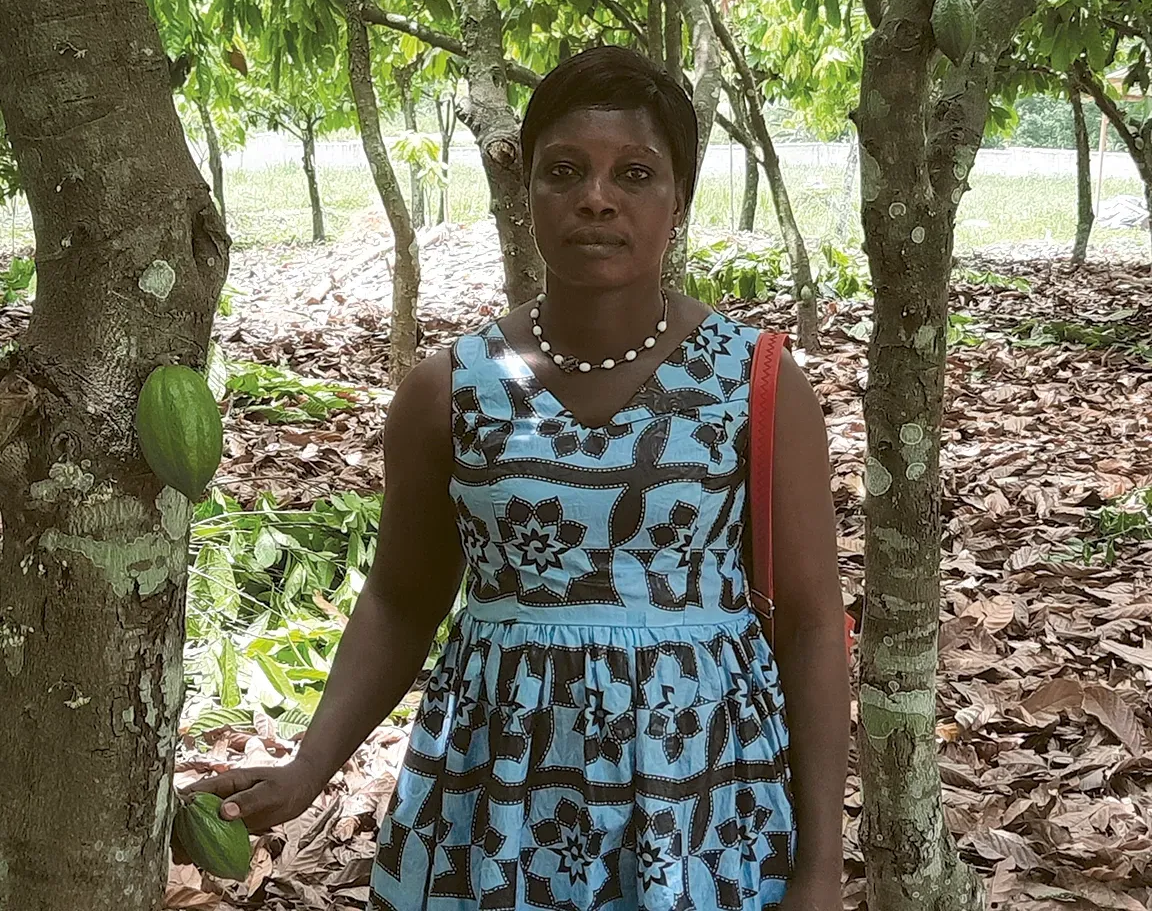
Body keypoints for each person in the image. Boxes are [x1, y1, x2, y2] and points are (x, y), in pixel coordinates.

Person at [182, 46, 850, 910]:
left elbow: (807, 622)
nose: (596, 198)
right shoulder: (449, 388)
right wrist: (310, 767)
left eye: (635, 174)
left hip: (701, 792)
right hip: (496, 792)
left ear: (678, 199)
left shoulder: (754, 380)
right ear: (526, 191)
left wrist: (821, 868)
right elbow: (400, 599)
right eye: (563, 171)